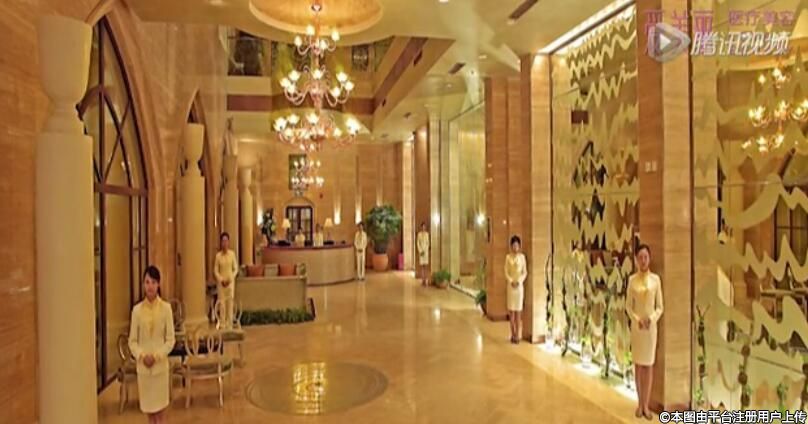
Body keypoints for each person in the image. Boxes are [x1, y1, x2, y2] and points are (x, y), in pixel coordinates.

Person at [128, 266, 175, 424]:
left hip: (160, 368)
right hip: (144, 370)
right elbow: (132, 341)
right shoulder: (136, 311)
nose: (150, 286)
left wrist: (156, 356)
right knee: (150, 413)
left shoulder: (166, 309)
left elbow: (170, 340)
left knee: (160, 413)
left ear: (158, 284)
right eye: (147, 282)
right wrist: (142, 356)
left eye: (153, 282)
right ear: (143, 284)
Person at [626, 244, 664, 420]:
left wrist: (651, 319)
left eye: (645, 257)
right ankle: (639, 403)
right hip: (637, 329)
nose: (643, 260)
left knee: (648, 365)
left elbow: (660, 307)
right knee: (638, 366)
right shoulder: (632, 280)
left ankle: (647, 405)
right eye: (640, 257)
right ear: (636, 259)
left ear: (649, 258)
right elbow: (628, 306)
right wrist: (637, 319)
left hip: (650, 330)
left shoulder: (656, 280)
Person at [213, 232, 239, 329]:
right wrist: (221, 279)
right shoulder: (218, 256)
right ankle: (222, 324)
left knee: (230, 303)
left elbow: (235, 269)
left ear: (228, 242)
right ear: (221, 242)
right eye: (223, 241)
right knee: (222, 304)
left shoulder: (232, 254)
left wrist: (230, 278)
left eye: (226, 241)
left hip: (230, 283)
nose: (225, 243)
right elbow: (215, 270)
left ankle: (229, 324)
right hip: (221, 284)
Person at [504, 235, 527, 344]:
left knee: (518, 312)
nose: (515, 247)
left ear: (519, 246)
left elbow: (525, 272)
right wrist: (511, 281)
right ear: (511, 246)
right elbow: (506, 271)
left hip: (519, 288)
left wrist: (519, 281)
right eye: (514, 245)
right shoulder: (508, 257)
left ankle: (518, 334)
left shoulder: (522, 257)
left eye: (517, 245)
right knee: (511, 312)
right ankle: (512, 333)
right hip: (510, 287)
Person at [416, 222, 430, 286]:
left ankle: (426, 279)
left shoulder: (427, 234)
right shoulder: (419, 234)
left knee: (426, 266)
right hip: (421, 252)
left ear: (425, 227)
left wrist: (425, 249)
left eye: (424, 227)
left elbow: (428, 243)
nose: (423, 228)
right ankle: (423, 280)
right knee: (422, 266)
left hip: (426, 251)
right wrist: (420, 250)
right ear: (421, 227)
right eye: (422, 227)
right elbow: (418, 243)